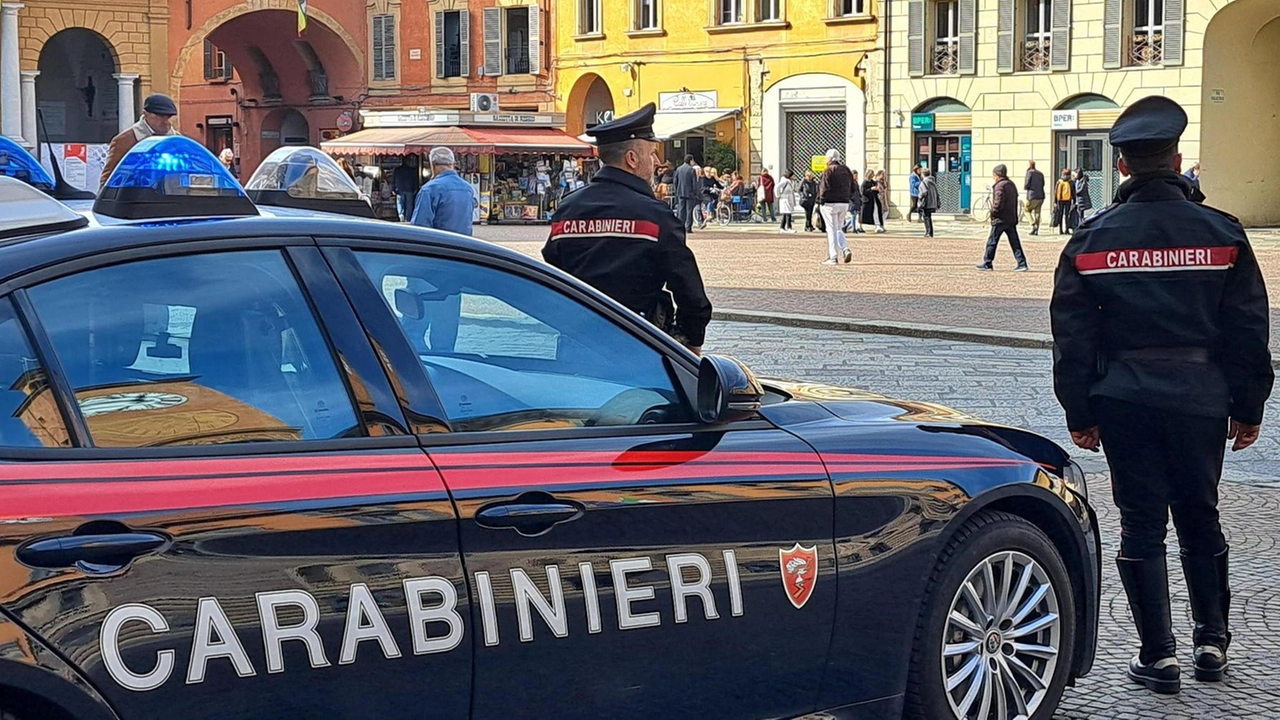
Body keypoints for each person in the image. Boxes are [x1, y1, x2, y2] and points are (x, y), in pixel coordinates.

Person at [1049, 96, 1273, 695]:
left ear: (1120, 166)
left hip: (1124, 398)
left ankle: (1159, 655)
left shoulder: (1092, 239)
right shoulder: (1223, 233)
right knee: (1201, 515)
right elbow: (1249, 327)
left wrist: (1080, 411)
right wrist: (1249, 406)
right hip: (1202, 396)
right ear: (1176, 159)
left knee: (1140, 522)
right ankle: (1211, 642)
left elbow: (1072, 335)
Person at [543, 103, 712, 355]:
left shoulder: (568, 209)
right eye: (652, 153)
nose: (656, 162)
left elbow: (552, 276)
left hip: (576, 345)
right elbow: (690, 293)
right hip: (638, 344)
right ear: (632, 159)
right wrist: (691, 343)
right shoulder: (656, 216)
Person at [99, 94, 180, 188]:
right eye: (160, 116)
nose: (165, 121)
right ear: (145, 114)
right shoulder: (124, 141)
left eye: (168, 117)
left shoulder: (178, 140)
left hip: (171, 196)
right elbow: (109, 177)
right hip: (135, 196)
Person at [410, 147, 475, 235]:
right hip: (463, 245)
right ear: (452, 164)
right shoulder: (467, 189)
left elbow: (420, 227)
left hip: (439, 245)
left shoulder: (429, 189)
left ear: (432, 165)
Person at [975, 164, 1028, 271]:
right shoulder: (1011, 184)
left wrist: (992, 212)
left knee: (992, 241)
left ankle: (987, 262)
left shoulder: (999, 186)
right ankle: (1022, 262)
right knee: (1015, 242)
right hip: (1011, 218)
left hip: (1000, 219)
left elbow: (998, 203)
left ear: (997, 175)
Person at [817, 149, 855, 265]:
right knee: (838, 228)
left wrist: (821, 201)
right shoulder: (846, 170)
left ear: (829, 159)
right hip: (844, 203)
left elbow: (824, 188)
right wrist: (847, 197)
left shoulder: (828, 171)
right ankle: (844, 248)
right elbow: (853, 187)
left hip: (830, 203)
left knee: (831, 229)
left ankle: (833, 256)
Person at [672, 154, 700, 232]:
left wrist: (676, 190)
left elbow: (675, 181)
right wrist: (695, 192)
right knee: (689, 211)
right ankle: (688, 227)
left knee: (681, 210)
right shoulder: (691, 170)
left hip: (680, 192)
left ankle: (680, 226)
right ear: (690, 160)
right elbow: (694, 183)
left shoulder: (678, 169)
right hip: (690, 193)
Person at [392, 157, 420, 222]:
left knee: (400, 204)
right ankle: (408, 219)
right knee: (409, 206)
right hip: (409, 189)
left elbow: (394, 180)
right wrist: (415, 188)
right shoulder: (412, 170)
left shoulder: (397, 170)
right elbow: (415, 180)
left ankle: (401, 216)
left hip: (399, 189)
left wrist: (393, 188)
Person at [1025, 160, 1046, 235]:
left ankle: (1033, 224)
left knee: (1026, 210)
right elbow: (1043, 184)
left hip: (1032, 195)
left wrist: (1026, 187)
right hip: (1041, 196)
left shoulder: (1029, 172)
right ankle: (1036, 229)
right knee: (1037, 212)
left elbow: (1027, 183)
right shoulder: (1040, 173)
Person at [918, 168, 939, 238]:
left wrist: (920, 196)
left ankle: (928, 232)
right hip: (932, 201)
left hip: (926, 202)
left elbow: (924, 192)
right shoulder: (933, 181)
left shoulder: (924, 182)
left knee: (926, 217)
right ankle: (930, 232)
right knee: (928, 217)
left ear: (923, 174)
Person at [1053, 168, 1075, 234]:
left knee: (1060, 214)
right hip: (1068, 200)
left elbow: (1056, 192)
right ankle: (1067, 229)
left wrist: (1055, 201)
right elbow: (1073, 192)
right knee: (1067, 214)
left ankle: (1060, 230)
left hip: (1060, 200)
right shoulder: (1071, 182)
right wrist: (1074, 200)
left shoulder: (1059, 181)